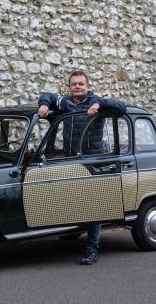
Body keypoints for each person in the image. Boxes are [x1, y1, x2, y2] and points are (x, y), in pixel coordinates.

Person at [37, 70, 126, 265]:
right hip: (70, 160)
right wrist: (44, 105)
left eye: (81, 84)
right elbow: (48, 96)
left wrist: (99, 104)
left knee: (91, 204)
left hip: (92, 160)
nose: (77, 87)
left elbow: (121, 107)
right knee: (69, 197)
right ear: (70, 87)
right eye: (74, 84)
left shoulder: (96, 102)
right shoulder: (66, 103)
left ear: (88, 86)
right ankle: (69, 233)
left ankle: (92, 248)